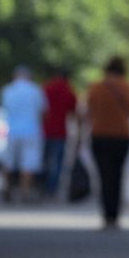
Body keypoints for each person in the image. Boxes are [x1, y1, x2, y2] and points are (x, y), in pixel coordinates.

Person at [84, 56, 129, 230]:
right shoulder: (126, 86)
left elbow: (89, 111)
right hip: (122, 136)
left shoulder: (96, 87)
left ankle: (107, 216)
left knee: (105, 177)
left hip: (100, 136)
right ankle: (115, 215)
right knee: (118, 176)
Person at [0, 65, 45, 202]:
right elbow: (42, 111)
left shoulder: (7, 90)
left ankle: (6, 187)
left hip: (12, 130)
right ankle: (25, 192)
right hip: (31, 130)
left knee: (8, 161)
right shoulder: (35, 90)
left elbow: (4, 109)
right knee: (28, 163)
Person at [40, 67, 78, 199]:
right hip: (60, 131)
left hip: (45, 130)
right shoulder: (69, 91)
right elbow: (73, 113)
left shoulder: (46, 88)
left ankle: (41, 186)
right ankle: (52, 188)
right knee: (58, 162)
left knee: (44, 159)